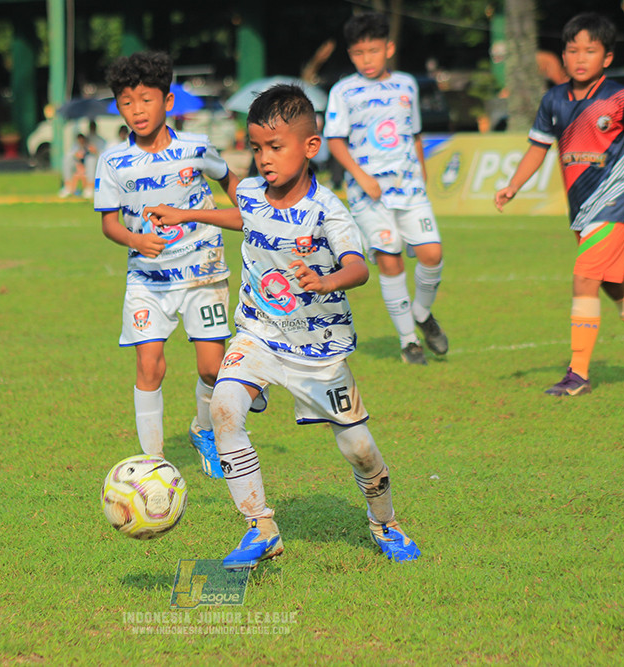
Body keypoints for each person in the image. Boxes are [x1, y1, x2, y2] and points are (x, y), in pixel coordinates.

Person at [145, 85, 421, 569]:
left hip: (320, 350)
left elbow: (359, 267)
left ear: (310, 147)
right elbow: (246, 217)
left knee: (359, 448)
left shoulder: (328, 210)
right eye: (256, 148)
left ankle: (385, 523)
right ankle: (261, 527)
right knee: (226, 410)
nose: (264, 158)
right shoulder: (252, 190)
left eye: (275, 147)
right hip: (258, 335)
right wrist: (187, 212)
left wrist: (325, 278)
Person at [494, 12, 624, 396]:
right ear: (562, 56)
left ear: (607, 58)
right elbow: (537, 149)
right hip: (582, 211)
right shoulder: (553, 99)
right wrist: (513, 185)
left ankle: (578, 374)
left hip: (615, 205)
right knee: (615, 285)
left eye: (590, 50)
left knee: (583, 278)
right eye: (572, 50)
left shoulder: (622, 99)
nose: (580, 58)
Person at [94, 51, 239, 477]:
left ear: (167, 101)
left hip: (203, 270)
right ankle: (154, 463)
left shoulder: (196, 149)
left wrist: (248, 210)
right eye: (126, 101)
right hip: (147, 280)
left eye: (145, 99)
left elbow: (229, 180)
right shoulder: (112, 160)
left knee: (213, 369)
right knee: (149, 363)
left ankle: (203, 429)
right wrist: (135, 239)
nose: (136, 110)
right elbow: (109, 224)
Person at [325, 12, 448, 366]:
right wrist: (360, 177)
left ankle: (422, 314)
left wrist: (422, 172)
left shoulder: (407, 85)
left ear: (389, 48)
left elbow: (414, 134)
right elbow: (335, 141)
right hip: (368, 194)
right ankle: (409, 341)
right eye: (359, 52)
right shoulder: (343, 91)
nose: (367, 59)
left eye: (373, 51)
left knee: (432, 254)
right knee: (390, 261)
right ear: (351, 54)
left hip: (409, 188)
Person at [61, 120, 105, 198]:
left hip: (94, 163)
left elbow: (103, 155)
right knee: (67, 159)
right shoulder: (83, 140)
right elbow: (72, 152)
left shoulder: (100, 140)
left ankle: (90, 187)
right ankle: (67, 186)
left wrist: (95, 151)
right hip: (79, 164)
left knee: (90, 160)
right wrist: (77, 155)